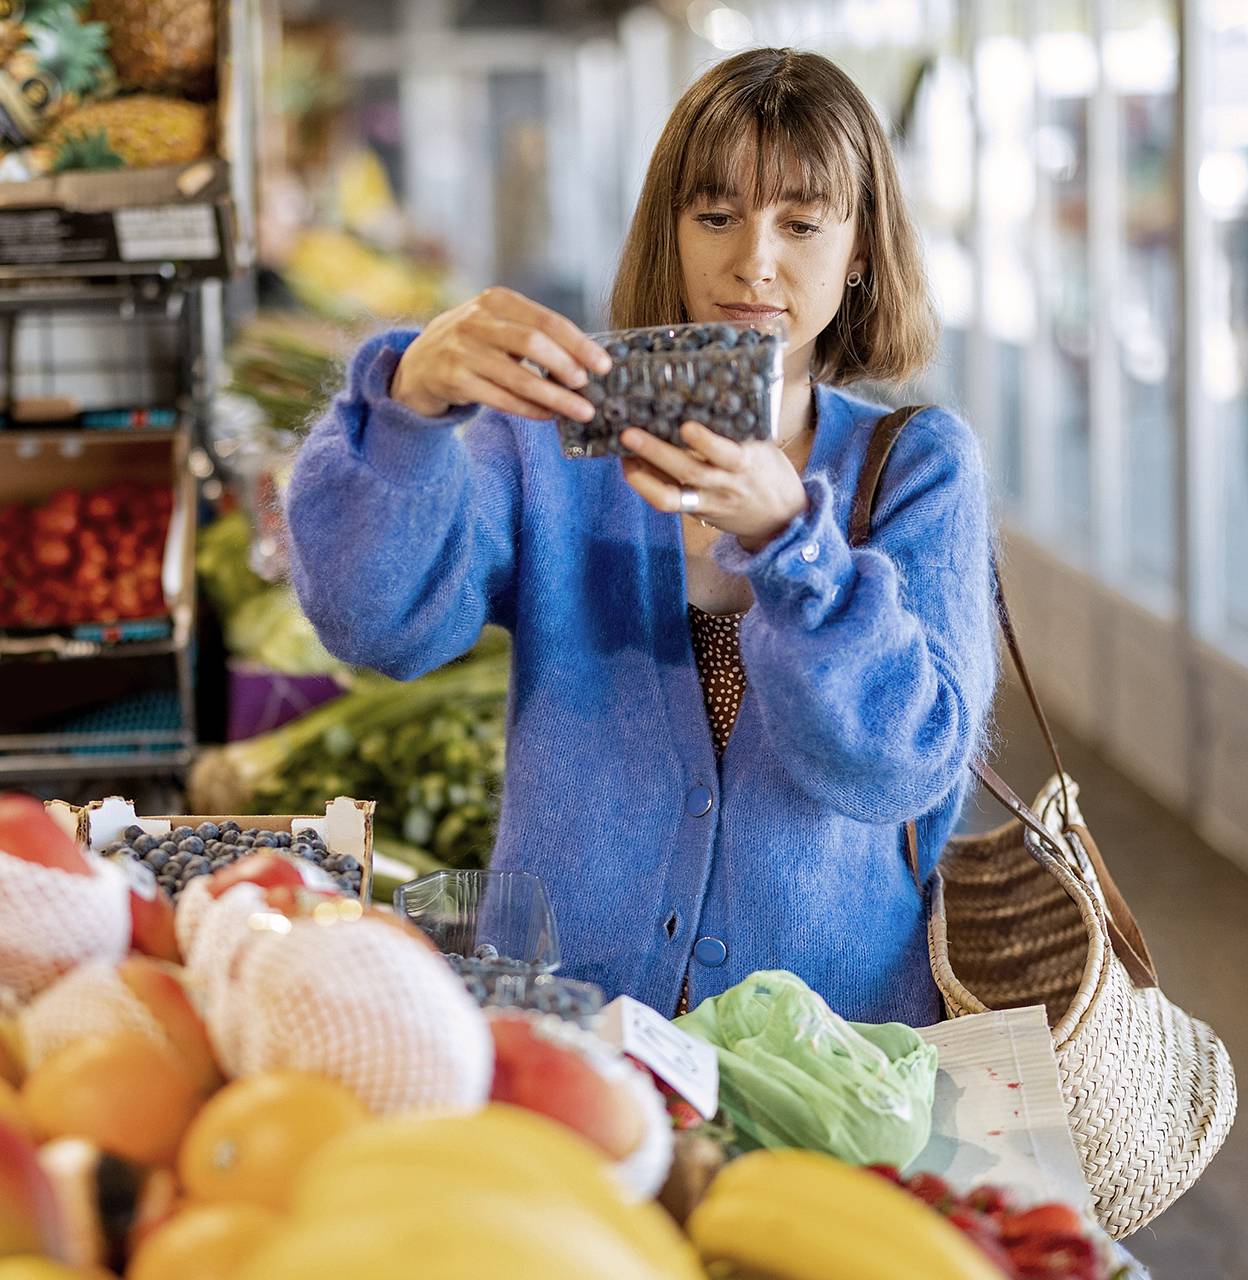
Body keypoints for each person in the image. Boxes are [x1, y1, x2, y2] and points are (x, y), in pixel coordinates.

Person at [286, 48, 998, 1026]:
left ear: (861, 249)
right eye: (714, 215)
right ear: (669, 230)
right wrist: (405, 409)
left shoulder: (915, 464)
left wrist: (787, 535)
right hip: (570, 1030)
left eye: (799, 223)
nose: (752, 260)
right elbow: (378, 625)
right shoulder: (552, 440)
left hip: (829, 1050)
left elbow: (900, 768)